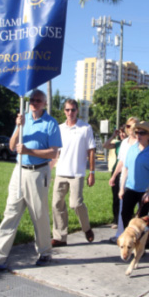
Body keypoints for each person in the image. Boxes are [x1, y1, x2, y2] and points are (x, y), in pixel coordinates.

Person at [0, 89, 62, 269]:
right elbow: (11, 145)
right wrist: (19, 128)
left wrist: (29, 151)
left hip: (38, 172)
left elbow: (54, 152)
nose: (34, 102)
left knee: (39, 215)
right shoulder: (23, 119)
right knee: (10, 212)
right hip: (19, 171)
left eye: (38, 100)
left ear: (45, 103)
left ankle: (45, 253)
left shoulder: (51, 123)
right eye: (32, 99)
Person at [51, 99, 96, 248]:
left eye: (73, 110)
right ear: (64, 111)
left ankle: (86, 228)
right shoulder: (59, 128)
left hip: (77, 173)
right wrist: (49, 168)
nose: (70, 113)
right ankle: (60, 237)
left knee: (76, 204)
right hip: (61, 172)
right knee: (57, 204)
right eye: (67, 110)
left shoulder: (85, 128)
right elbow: (55, 152)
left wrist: (92, 172)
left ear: (77, 111)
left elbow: (91, 151)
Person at [119, 121, 149, 236]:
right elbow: (126, 168)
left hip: (147, 190)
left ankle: (143, 245)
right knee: (125, 214)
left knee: (145, 219)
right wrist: (122, 188)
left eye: (142, 133)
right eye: (137, 132)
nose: (139, 135)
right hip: (131, 187)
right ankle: (130, 237)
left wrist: (148, 192)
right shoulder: (132, 149)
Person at [108, 117, 140, 243]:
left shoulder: (141, 142)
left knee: (140, 209)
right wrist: (114, 176)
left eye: (132, 126)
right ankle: (120, 234)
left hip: (139, 180)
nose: (129, 129)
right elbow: (121, 161)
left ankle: (140, 236)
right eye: (127, 126)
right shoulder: (124, 142)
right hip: (124, 179)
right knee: (123, 209)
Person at [103, 125, 127, 229]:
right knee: (116, 197)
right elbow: (105, 145)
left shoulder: (132, 144)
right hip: (116, 171)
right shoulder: (118, 144)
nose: (122, 134)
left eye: (123, 132)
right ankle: (116, 220)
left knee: (125, 197)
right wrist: (113, 136)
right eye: (120, 133)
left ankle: (126, 219)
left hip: (126, 172)